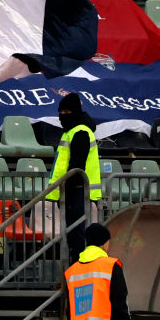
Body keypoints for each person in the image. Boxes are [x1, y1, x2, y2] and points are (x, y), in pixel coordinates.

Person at [64, 221, 132, 320]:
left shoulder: (72, 271)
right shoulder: (111, 266)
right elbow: (119, 301)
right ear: (104, 243)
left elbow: (70, 311)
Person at [47, 92, 103, 258]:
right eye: (61, 112)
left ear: (76, 112)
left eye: (66, 113)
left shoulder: (80, 132)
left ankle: (77, 271)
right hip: (73, 190)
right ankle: (71, 273)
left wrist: (66, 188)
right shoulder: (72, 131)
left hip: (77, 190)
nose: (62, 116)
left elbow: (77, 165)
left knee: (76, 235)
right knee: (72, 234)